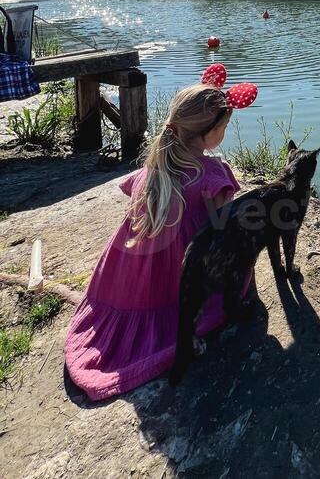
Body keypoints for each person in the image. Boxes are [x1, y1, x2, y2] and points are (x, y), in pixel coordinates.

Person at [64, 84, 252, 401]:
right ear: (210, 135)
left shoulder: (153, 167)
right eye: (223, 127)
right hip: (176, 275)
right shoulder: (212, 174)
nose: (224, 132)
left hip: (128, 281)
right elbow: (221, 231)